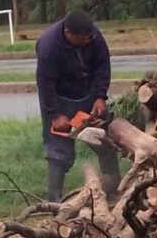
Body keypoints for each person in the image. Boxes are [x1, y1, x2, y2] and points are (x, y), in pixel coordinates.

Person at [35, 10, 121, 202]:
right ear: (68, 33)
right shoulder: (48, 46)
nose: (85, 41)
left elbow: (102, 66)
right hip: (59, 98)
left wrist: (100, 96)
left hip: (88, 94)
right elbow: (45, 83)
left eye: (87, 37)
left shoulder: (94, 36)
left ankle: (113, 185)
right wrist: (54, 114)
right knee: (59, 150)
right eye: (80, 39)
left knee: (104, 140)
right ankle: (54, 199)